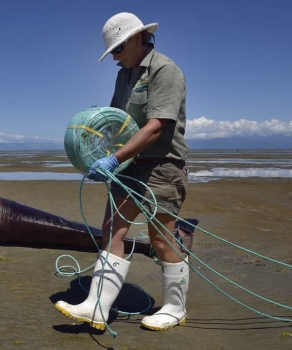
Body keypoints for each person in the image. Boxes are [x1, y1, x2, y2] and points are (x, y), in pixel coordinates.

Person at [55, 12, 189, 331]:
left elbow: (157, 126)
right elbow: (119, 121)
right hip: (129, 164)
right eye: (112, 51)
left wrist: (114, 159)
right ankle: (97, 306)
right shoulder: (123, 75)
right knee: (112, 228)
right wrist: (100, 146)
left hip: (161, 164)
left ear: (138, 38)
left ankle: (175, 307)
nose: (116, 57)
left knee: (161, 237)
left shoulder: (164, 69)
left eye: (118, 49)